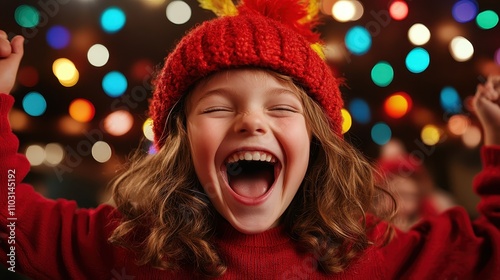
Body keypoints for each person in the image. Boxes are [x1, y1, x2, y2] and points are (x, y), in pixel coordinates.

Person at [0, 0, 499, 279]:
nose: (251, 123)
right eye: (217, 107)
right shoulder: (132, 247)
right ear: (178, 143)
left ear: (317, 142)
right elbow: (12, 224)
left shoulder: (365, 255)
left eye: (281, 107)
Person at [376, 140, 456, 231]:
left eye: (410, 197)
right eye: (400, 195)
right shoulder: (375, 224)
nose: (405, 205)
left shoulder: (439, 208)